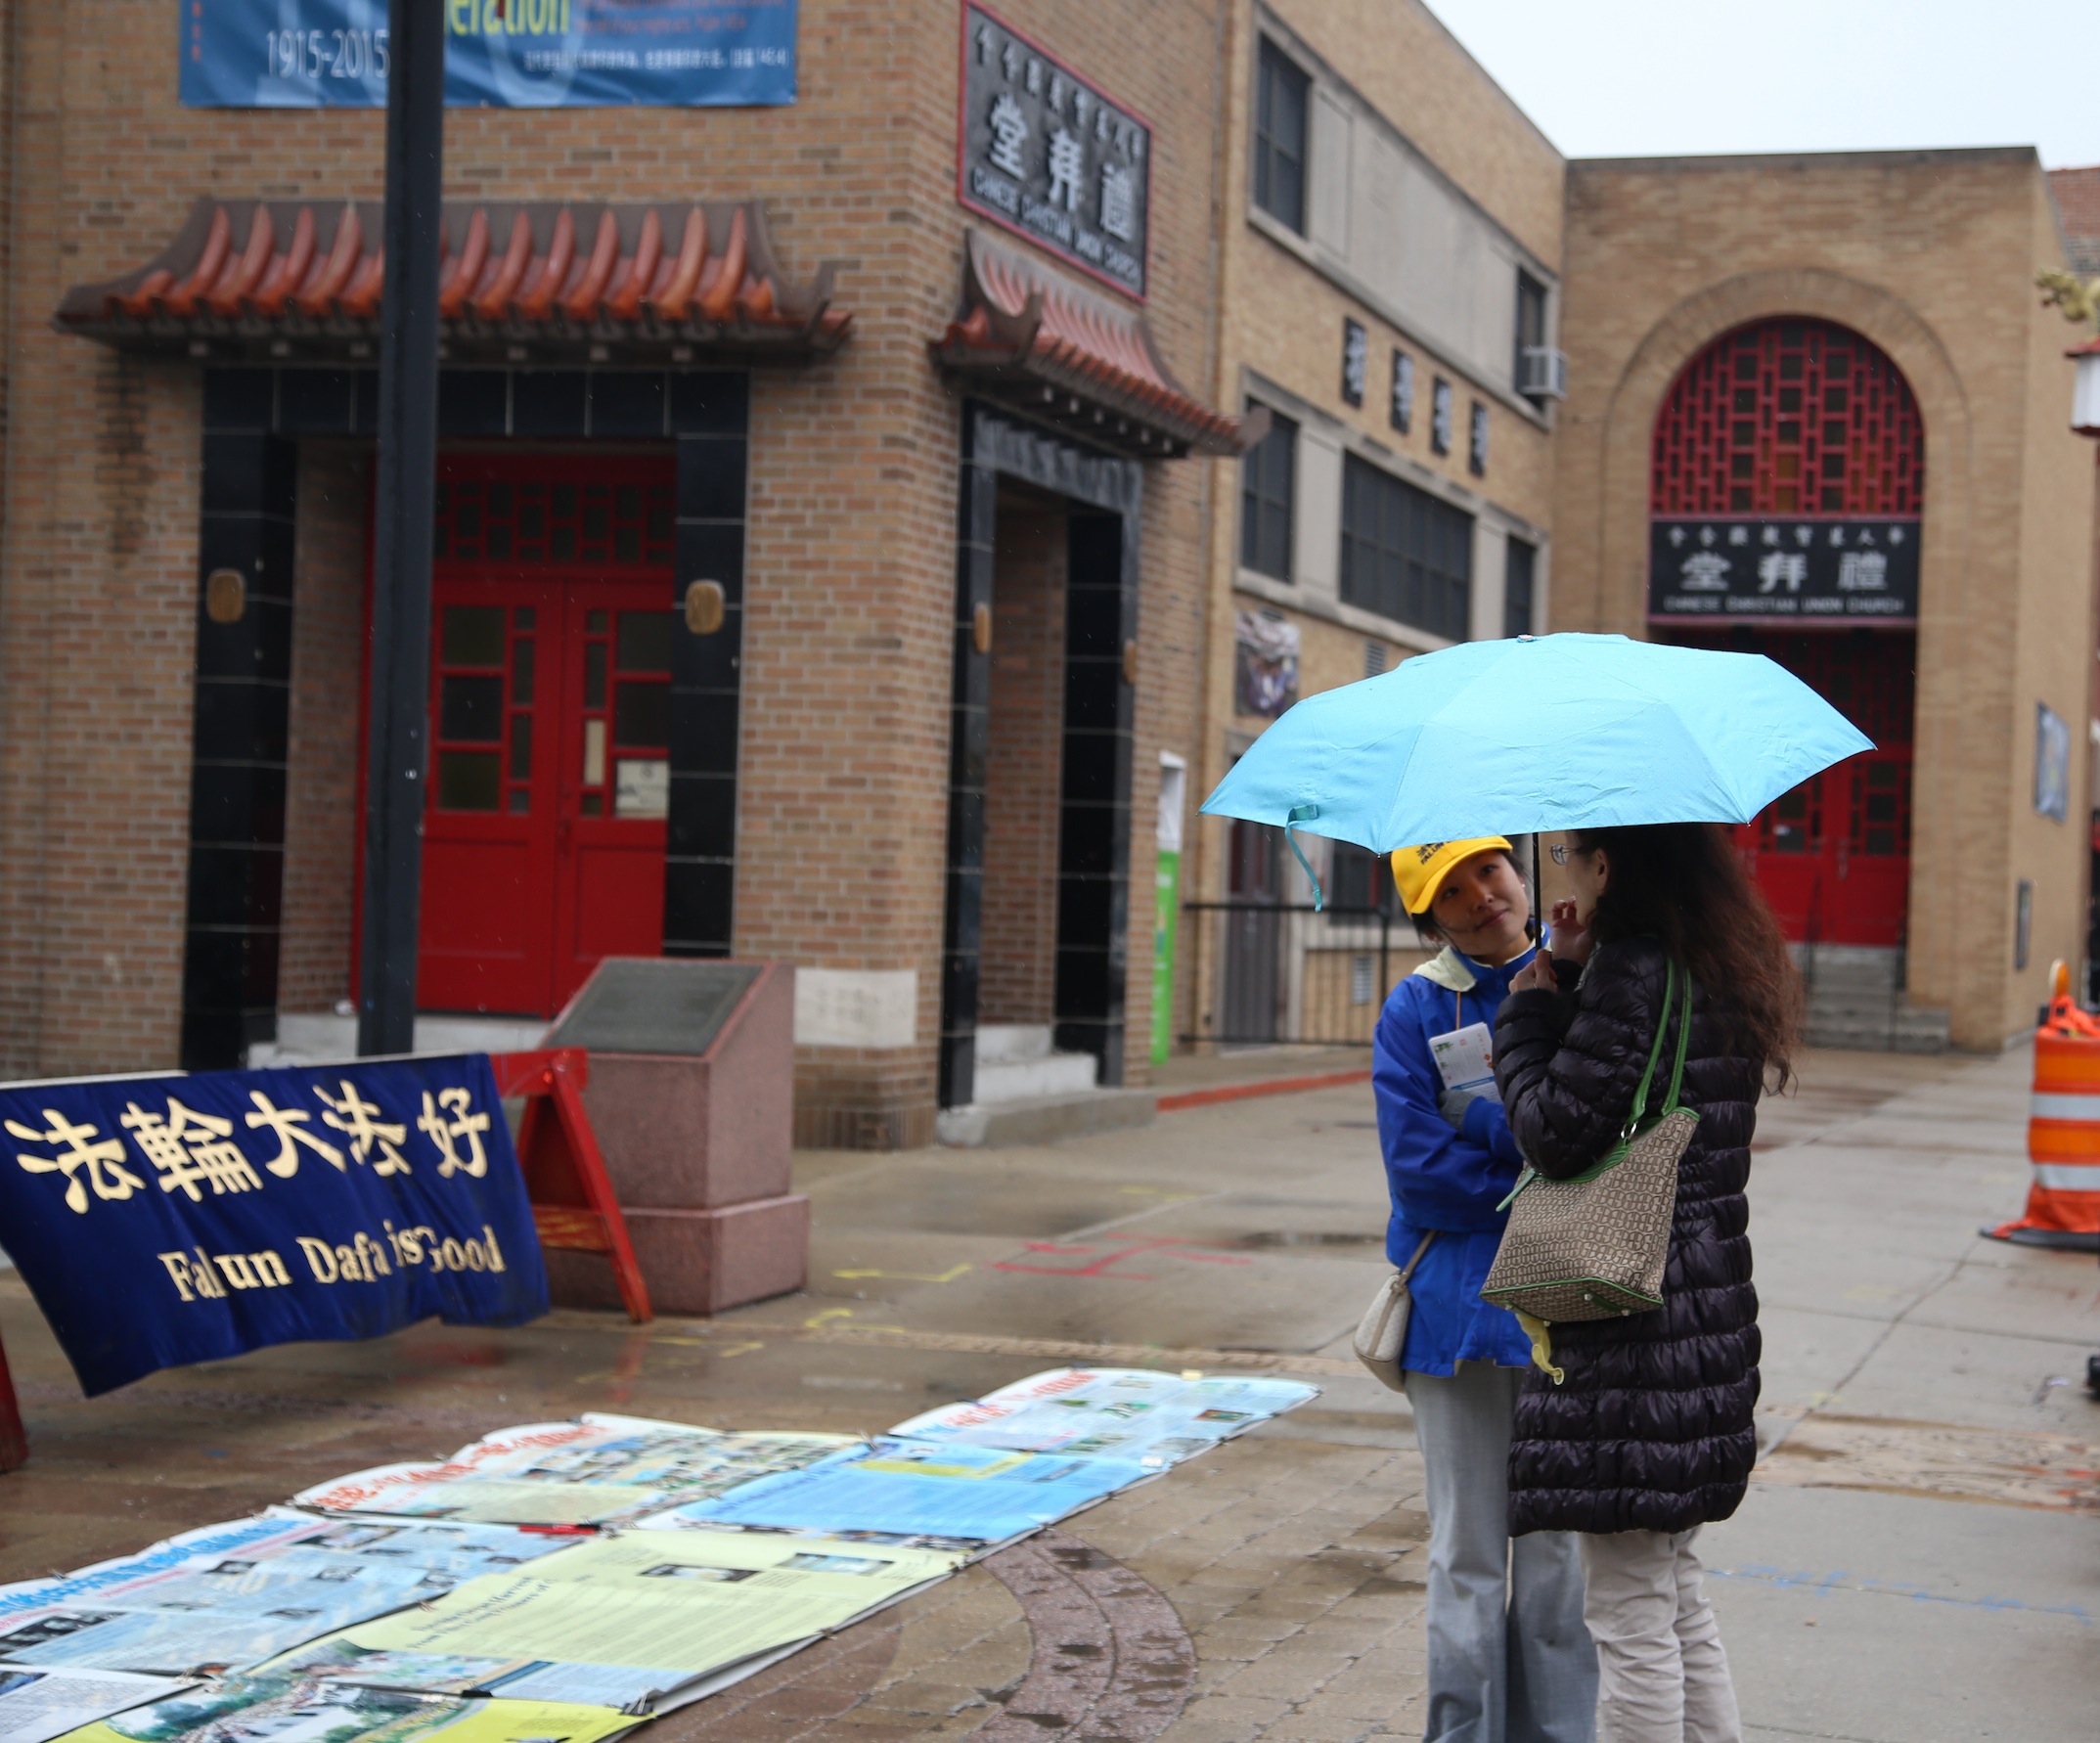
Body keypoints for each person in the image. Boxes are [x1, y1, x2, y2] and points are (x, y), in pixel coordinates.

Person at [1494, 824, 1801, 1743]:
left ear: (1607, 864)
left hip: (1633, 1321)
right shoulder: (1718, 964)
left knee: (1627, 1614)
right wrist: (1575, 972)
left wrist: (1528, 1015)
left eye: (1569, 857)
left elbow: (1555, 1130)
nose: (1563, 873)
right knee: (1673, 1593)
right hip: (1704, 1310)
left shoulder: (1635, 973)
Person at [1372, 837, 1597, 1743]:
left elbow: (1607, 1142)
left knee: (1555, 1565)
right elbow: (1418, 1175)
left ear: (1518, 872)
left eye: (1488, 871)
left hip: (1568, 1308)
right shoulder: (1415, 1009)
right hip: (1454, 1318)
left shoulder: (1585, 983)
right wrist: (1535, 1154)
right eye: (1450, 891)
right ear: (1429, 919)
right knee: (1465, 1556)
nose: (1479, 896)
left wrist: (1486, 1129)